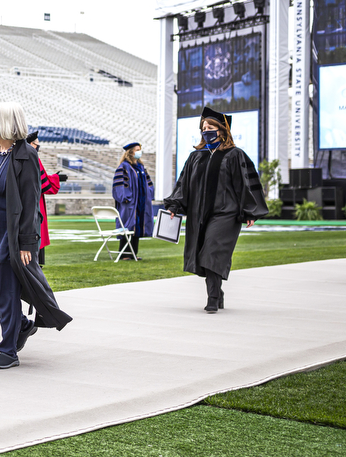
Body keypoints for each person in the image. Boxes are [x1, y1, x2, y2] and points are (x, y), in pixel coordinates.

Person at [0, 103, 73, 369]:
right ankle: (21, 325)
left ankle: (8, 351)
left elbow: (30, 201)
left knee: (7, 295)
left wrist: (27, 242)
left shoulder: (26, 155)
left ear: (7, 122)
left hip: (10, 238)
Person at [163, 107, 268, 314]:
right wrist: (174, 205)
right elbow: (184, 184)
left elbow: (245, 184)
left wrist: (250, 211)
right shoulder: (196, 157)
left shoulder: (235, 155)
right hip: (199, 214)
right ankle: (217, 293)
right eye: (203, 127)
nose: (206, 130)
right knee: (203, 254)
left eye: (210, 126)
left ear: (222, 130)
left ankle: (212, 298)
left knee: (212, 251)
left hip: (225, 214)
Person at [26, 131, 67, 266]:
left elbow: (39, 178)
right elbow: (44, 185)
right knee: (37, 227)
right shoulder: (33, 157)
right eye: (37, 145)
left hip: (28, 199)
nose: (38, 147)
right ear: (32, 144)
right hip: (34, 201)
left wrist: (53, 177)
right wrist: (56, 179)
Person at [112, 142, 154, 260]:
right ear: (130, 152)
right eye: (137, 149)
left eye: (140, 149)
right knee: (127, 226)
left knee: (137, 228)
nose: (139, 152)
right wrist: (126, 198)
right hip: (129, 203)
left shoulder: (141, 167)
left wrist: (149, 194)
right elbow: (119, 185)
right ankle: (124, 254)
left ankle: (133, 254)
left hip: (141, 202)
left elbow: (148, 183)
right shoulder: (124, 167)